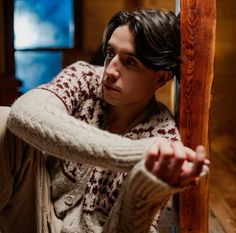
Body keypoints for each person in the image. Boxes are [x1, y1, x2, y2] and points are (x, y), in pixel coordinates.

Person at [0, 9, 209, 233]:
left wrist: (148, 183)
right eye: (110, 53)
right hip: (32, 213)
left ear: (160, 77)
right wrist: (131, 153)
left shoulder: (161, 138)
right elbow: (25, 112)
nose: (109, 71)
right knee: (3, 119)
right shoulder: (86, 77)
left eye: (130, 62)